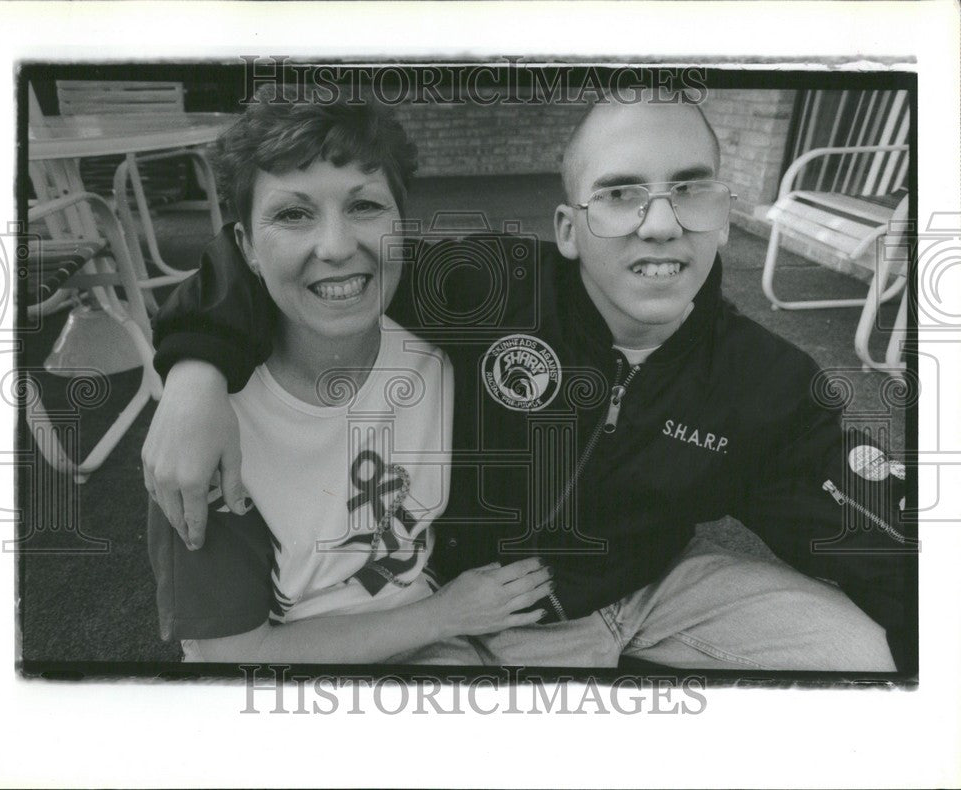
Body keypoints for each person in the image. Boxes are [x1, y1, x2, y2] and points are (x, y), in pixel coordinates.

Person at [145, 85, 916, 671]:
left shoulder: (768, 380)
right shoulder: (487, 287)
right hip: (470, 601)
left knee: (857, 653)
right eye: (618, 194)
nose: (658, 223)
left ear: (723, 208)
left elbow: (869, 532)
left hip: (646, 589)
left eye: (689, 187)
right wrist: (194, 373)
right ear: (567, 228)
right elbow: (293, 260)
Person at [146, 88, 554, 663]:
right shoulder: (210, 429)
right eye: (293, 214)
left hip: (434, 633)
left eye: (365, 206)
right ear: (247, 249)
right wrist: (446, 614)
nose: (337, 247)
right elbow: (236, 654)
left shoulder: (446, 351)